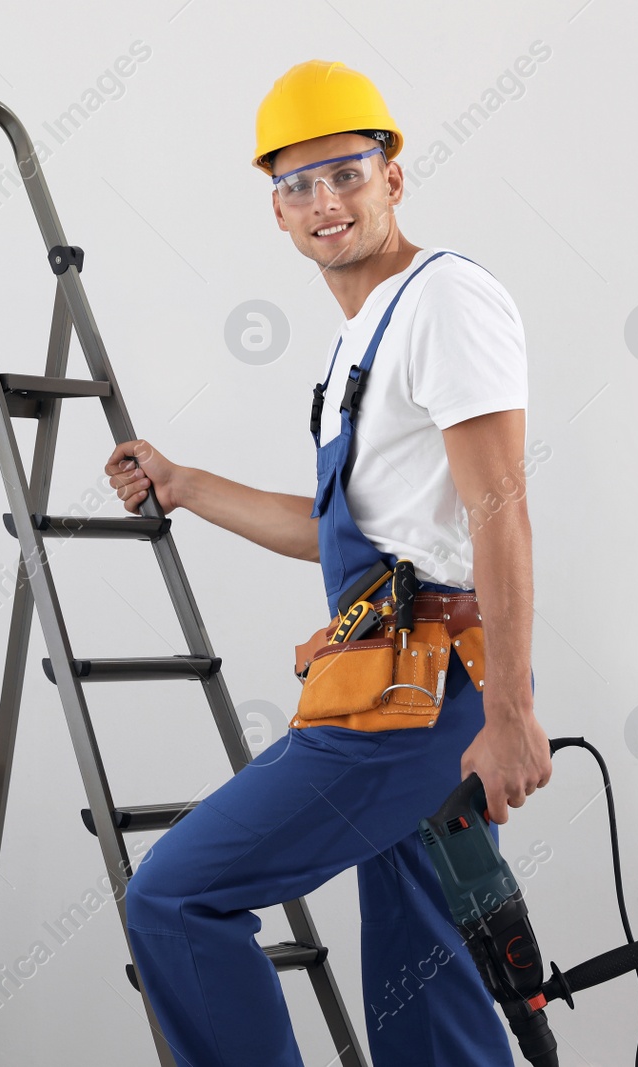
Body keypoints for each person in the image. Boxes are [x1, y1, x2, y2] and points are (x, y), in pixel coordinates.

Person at [104, 60, 553, 1066]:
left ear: (393, 175)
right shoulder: (360, 336)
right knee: (424, 982)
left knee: (175, 895)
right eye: (296, 185)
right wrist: (185, 482)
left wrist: (514, 712)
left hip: (427, 692)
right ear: (275, 211)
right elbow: (346, 531)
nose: (324, 202)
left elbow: (500, 510)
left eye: (345, 172)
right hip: (385, 673)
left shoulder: (444, 300)